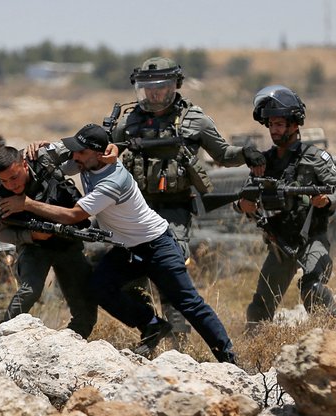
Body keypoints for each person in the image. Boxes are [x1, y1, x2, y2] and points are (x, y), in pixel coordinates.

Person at [0, 124, 237, 363]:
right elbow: (40, 159)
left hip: (157, 246)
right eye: (75, 151)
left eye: (80, 152)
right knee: (98, 286)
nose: (75, 157)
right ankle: (152, 325)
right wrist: (37, 147)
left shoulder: (113, 181)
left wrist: (27, 204)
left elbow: (74, 216)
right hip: (128, 250)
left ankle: (228, 359)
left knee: (188, 303)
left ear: (99, 154)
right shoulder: (88, 160)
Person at [109, 56, 267, 341]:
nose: (153, 94)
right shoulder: (129, 120)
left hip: (174, 208)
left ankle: (179, 346)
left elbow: (223, 155)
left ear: (175, 86)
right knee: (129, 274)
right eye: (147, 88)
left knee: (170, 270)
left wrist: (246, 152)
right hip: (135, 210)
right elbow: (104, 152)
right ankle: (151, 331)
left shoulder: (195, 120)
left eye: (160, 87)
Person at [235, 85, 336, 329]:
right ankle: (248, 358)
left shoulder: (314, 157)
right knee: (260, 306)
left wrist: (326, 200)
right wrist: (244, 206)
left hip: (312, 238)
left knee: (313, 288)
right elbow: (247, 198)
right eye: (271, 125)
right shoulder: (263, 163)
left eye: (279, 125)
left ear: (294, 125)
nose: (274, 130)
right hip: (279, 243)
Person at [0, 146, 98, 338]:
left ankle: (71, 342)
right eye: (5, 181)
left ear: (24, 165)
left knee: (85, 302)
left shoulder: (42, 160)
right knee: (30, 290)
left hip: (67, 241)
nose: (11, 185)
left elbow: (79, 145)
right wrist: (31, 236)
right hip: (33, 246)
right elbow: (1, 233)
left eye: (14, 177)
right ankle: (0, 338)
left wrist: (46, 144)